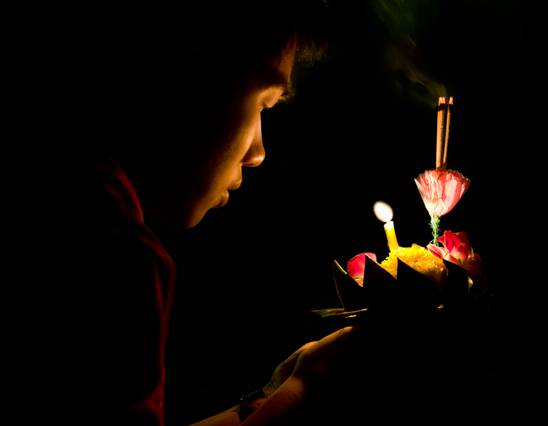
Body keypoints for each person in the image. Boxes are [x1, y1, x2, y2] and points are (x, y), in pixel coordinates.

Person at [21, 2, 365, 425]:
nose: (258, 153)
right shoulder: (115, 251)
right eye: (263, 104)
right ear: (190, 83)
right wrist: (309, 391)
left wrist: (274, 393)